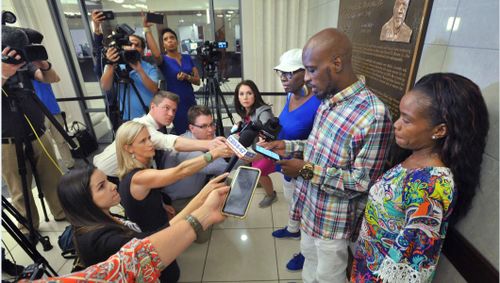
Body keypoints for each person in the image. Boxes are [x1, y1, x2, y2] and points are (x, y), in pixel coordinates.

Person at [262, 28, 393, 283]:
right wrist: (285, 146)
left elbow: (362, 182)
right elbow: (315, 147)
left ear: (337, 63)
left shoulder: (373, 114)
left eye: (311, 69)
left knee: (328, 277)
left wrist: (305, 170)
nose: (307, 78)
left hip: (333, 223)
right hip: (309, 209)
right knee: (309, 267)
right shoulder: (327, 101)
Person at [351, 73, 489, 282]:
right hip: (366, 266)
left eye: (406, 120)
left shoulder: (432, 185)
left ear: (440, 130)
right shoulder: (414, 158)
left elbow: (407, 265)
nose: (396, 125)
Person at [50, 166, 230, 283]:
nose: (112, 185)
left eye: (107, 180)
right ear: (84, 202)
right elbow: (154, 242)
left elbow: (157, 235)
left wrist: (201, 200)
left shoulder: (100, 217)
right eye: (101, 186)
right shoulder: (101, 240)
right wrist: (202, 205)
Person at [115, 120, 232, 233]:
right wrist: (214, 153)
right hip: (156, 236)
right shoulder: (139, 177)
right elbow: (181, 171)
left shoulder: (138, 170)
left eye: (149, 138)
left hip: (157, 221)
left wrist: (162, 205)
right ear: (128, 148)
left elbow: (144, 200)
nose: (150, 144)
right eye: (143, 141)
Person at [2, 47, 66, 236]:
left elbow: (52, 78)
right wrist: (3, 74)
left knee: (53, 178)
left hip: (38, 133)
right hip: (7, 142)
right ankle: (28, 226)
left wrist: (44, 65)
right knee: (19, 189)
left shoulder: (20, 63)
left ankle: (62, 212)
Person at [93, 91, 226, 181]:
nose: (170, 114)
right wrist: (210, 144)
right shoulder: (142, 126)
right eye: (166, 108)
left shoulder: (158, 128)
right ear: (153, 106)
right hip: (102, 175)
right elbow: (170, 142)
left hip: (121, 175)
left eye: (174, 110)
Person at [270, 48, 321, 271]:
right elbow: (286, 124)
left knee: (305, 211)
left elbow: (318, 142)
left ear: (306, 73)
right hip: (284, 161)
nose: (284, 78)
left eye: (289, 74)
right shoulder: (291, 94)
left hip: (303, 167)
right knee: (292, 202)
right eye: (281, 73)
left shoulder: (318, 102)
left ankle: (305, 251)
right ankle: (292, 229)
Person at [161, 105, 227, 243]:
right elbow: (223, 167)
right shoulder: (188, 150)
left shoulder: (206, 136)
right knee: (203, 238)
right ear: (192, 128)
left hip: (196, 190)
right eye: (203, 126)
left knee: (225, 186)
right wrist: (243, 152)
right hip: (180, 200)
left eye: (211, 124)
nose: (210, 130)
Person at [99, 12, 160, 122]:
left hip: (149, 117)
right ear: (123, 46)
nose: (133, 47)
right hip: (127, 119)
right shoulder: (114, 65)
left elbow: (154, 89)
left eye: (137, 45)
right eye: (129, 44)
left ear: (142, 51)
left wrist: (139, 70)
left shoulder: (149, 68)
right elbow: (105, 87)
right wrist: (110, 64)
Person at [143, 18, 200, 135]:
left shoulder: (187, 57)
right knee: (182, 132)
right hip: (175, 103)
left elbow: (198, 81)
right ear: (163, 44)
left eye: (172, 38)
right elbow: (156, 54)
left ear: (177, 41)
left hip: (190, 99)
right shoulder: (163, 60)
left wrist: (187, 77)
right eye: (166, 39)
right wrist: (147, 29)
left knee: (196, 128)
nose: (170, 41)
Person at [233, 80, 278, 208]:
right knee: (254, 169)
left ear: (255, 95)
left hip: (265, 151)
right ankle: (258, 180)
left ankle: (271, 195)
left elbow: (266, 129)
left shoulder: (263, 112)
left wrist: (263, 138)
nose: (245, 97)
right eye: (241, 94)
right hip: (254, 149)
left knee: (260, 172)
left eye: (249, 93)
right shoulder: (246, 110)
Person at [32, 80, 75, 169]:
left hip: (54, 112)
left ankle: (70, 165)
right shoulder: (23, 77)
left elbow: (55, 78)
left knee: (61, 141)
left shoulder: (41, 72)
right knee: (46, 146)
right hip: (39, 115)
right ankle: (54, 171)